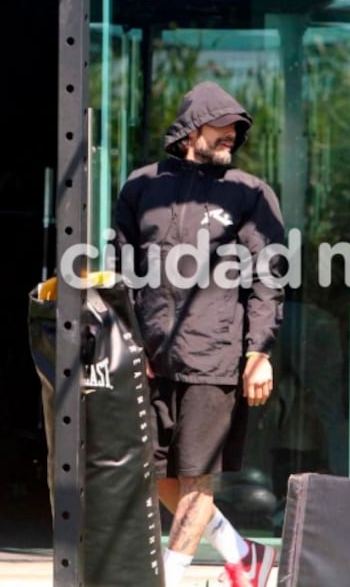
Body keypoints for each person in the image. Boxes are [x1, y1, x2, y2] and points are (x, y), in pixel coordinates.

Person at [113, 81, 286, 587]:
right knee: (154, 473)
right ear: (192, 128)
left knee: (196, 479)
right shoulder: (141, 185)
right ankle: (244, 556)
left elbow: (269, 277)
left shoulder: (249, 193)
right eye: (223, 127)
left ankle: (168, 576)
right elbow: (122, 269)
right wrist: (130, 341)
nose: (233, 135)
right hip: (151, 356)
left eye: (237, 130)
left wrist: (259, 352)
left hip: (215, 355)